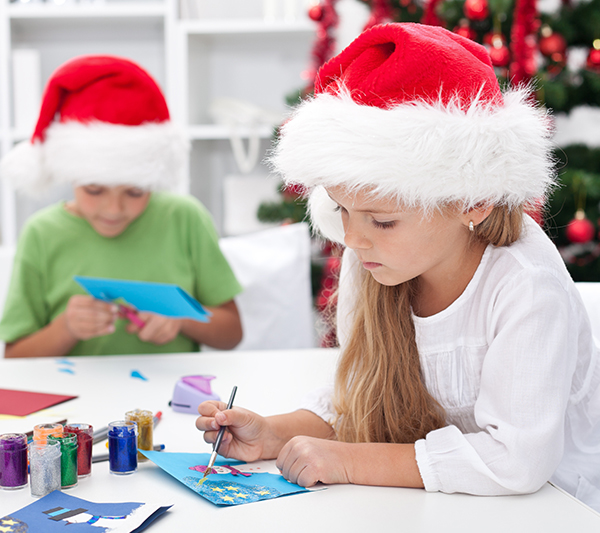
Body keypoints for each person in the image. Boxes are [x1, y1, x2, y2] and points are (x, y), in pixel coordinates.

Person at [195, 23, 600, 512]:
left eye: (383, 221)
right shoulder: (375, 258)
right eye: (341, 209)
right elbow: (360, 397)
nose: (352, 238)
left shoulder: (525, 286)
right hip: (443, 506)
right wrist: (273, 434)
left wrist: (346, 462)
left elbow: (516, 461)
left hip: (554, 509)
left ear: (476, 200)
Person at [0, 55, 243, 357]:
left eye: (135, 191)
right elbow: (13, 357)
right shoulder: (42, 232)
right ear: (71, 175)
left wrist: (183, 320)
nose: (114, 209)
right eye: (94, 189)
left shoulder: (184, 217)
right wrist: (66, 328)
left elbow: (232, 332)